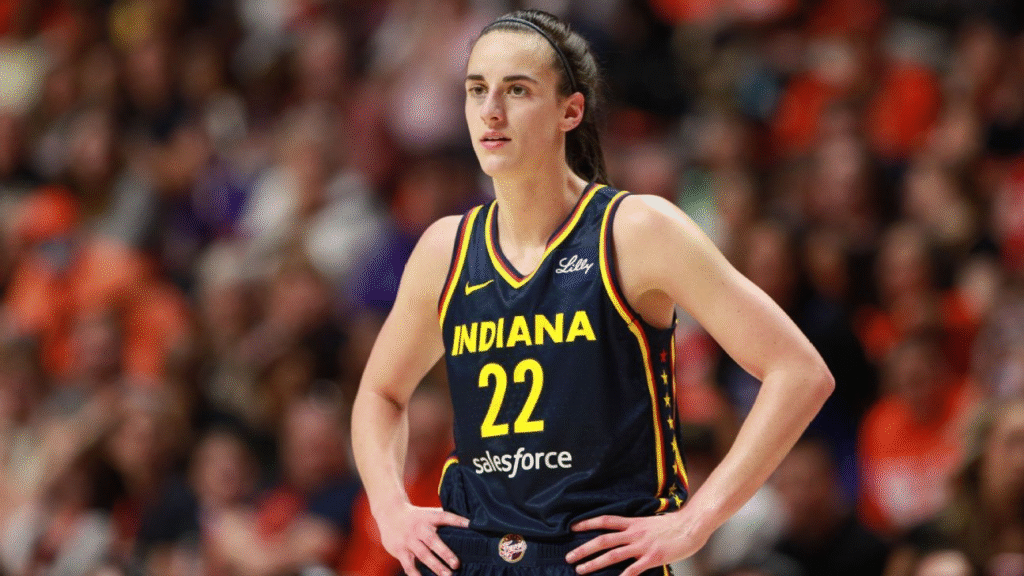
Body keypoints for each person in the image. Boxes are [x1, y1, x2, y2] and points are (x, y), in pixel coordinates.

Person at [350, 9, 833, 576]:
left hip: (599, 558)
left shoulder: (637, 231)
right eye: (477, 89)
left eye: (517, 90)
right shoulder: (445, 249)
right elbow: (379, 393)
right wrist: (390, 509)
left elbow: (799, 373)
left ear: (570, 111)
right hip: (479, 556)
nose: (491, 110)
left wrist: (695, 520)